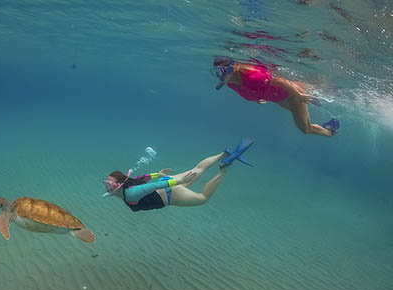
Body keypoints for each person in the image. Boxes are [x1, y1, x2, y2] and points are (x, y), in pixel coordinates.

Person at [102, 139, 254, 212]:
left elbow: (154, 186)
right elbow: (143, 178)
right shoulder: (129, 184)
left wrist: (180, 180)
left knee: (203, 199)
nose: (107, 187)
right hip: (168, 183)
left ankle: (224, 168)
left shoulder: (131, 193)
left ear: (120, 186)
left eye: (109, 184)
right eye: (106, 184)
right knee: (197, 169)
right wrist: (158, 174)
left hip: (171, 194)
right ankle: (224, 153)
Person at [211, 57, 340, 136]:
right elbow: (250, 91)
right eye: (216, 73)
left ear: (231, 70)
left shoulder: (253, 77)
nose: (220, 77)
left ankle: (330, 131)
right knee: (302, 110)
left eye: (221, 72)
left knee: (305, 128)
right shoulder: (231, 84)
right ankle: (314, 95)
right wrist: (258, 98)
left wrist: (299, 95)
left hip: (290, 95)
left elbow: (281, 81)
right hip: (278, 98)